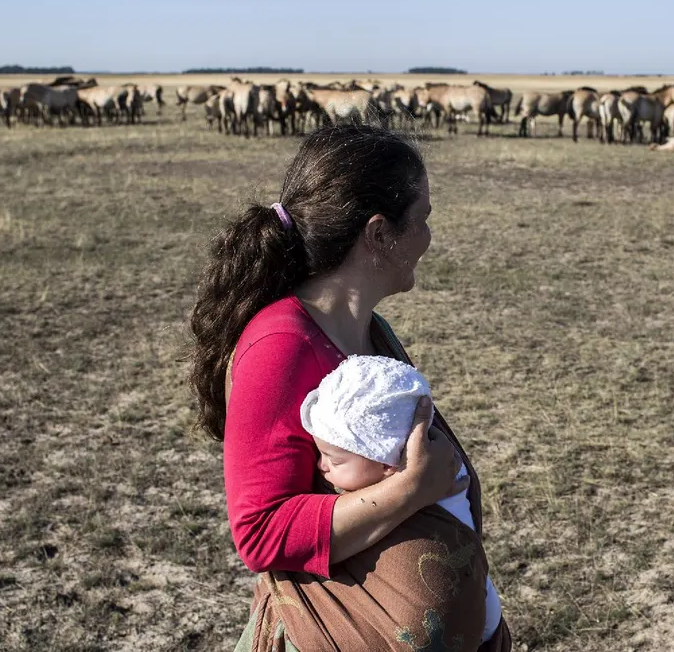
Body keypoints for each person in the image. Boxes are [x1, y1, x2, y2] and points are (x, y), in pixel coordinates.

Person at [189, 124, 511, 650]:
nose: (429, 238)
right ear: (379, 233)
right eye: (422, 219)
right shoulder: (280, 346)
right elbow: (260, 531)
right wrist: (410, 490)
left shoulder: (368, 330)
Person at [300, 354, 503, 646]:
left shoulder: (440, 489)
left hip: (474, 618)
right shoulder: (404, 469)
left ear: (387, 462)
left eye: (335, 459)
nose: (321, 466)